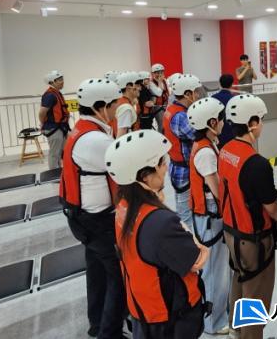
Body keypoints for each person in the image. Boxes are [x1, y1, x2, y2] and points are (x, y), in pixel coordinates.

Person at [105, 129, 210, 339]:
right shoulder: (161, 223)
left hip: (144, 311)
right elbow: (195, 260)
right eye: (162, 163)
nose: (166, 167)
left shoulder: (124, 207)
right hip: (169, 321)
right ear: (145, 175)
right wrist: (198, 243)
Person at [59, 78, 127, 338]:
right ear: (100, 107)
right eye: (113, 104)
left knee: (97, 272)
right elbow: (125, 168)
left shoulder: (81, 129)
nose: (116, 109)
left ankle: (97, 323)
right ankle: (110, 333)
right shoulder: (95, 140)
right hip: (97, 221)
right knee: (118, 276)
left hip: (81, 216)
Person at [218, 94, 277, 339]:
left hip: (231, 232)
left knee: (240, 279)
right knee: (256, 294)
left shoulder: (225, 151)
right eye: (261, 120)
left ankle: (237, 331)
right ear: (251, 123)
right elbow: (271, 208)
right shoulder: (256, 163)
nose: (262, 124)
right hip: (254, 240)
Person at [187, 97, 231, 336]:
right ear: (212, 122)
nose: (224, 122)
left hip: (207, 216)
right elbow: (216, 188)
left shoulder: (205, 144)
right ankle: (214, 322)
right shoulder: (205, 152)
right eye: (221, 119)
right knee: (215, 270)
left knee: (217, 268)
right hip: (210, 218)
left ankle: (218, 314)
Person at [163, 73, 203, 232]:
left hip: (177, 166)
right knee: (185, 213)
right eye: (196, 92)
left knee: (183, 206)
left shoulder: (171, 109)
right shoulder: (181, 116)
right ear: (187, 94)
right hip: (183, 170)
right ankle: (188, 240)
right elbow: (197, 135)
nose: (198, 95)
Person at [39, 70, 70, 172]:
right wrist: (42, 123)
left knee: (61, 152)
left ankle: (60, 172)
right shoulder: (50, 95)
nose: (62, 81)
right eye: (59, 80)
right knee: (54, 154)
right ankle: (53, 175)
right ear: (52, 82)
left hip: (61, 127)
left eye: (62, 79)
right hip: (54, 128)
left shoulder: (57, 93)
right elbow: (42, 112)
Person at [112, 71, 141, 138]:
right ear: (128, 87)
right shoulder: (125, 107)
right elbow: (121, 136)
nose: (140, 88)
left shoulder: (121, 101)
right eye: (138, 85)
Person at [211, 74, 236, 147]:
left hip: (217, 136)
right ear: (232, 84)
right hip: (231, 135)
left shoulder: (213, 98)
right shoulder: (234, 99)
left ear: (220, 84)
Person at [150, 63, 170, 133]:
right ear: (153, 73)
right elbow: (159, 93)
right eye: (157, 73)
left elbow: (167, 91)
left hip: (165, 105)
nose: (160, 74)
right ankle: (161, 137)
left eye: (161, 72)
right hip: (157, 107)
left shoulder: (164, 81)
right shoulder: (151, 83)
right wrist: (159, 81)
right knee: (161, 125)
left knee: (167, 123)